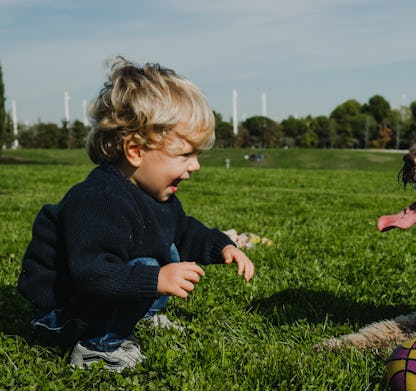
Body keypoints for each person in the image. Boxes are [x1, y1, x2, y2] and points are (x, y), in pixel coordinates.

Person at [17, 57, 254, 371]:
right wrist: (155, 278)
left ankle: (139, 314)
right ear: (135, 151)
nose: (195, 166)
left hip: (95, 297)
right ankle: (96, 350)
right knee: (149, 266)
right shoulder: (99, 200)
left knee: (167, 248)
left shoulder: (155, 195)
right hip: (65, 309)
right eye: (185, 154)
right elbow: (91, 272)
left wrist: (223, 245)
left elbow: (184, 231)